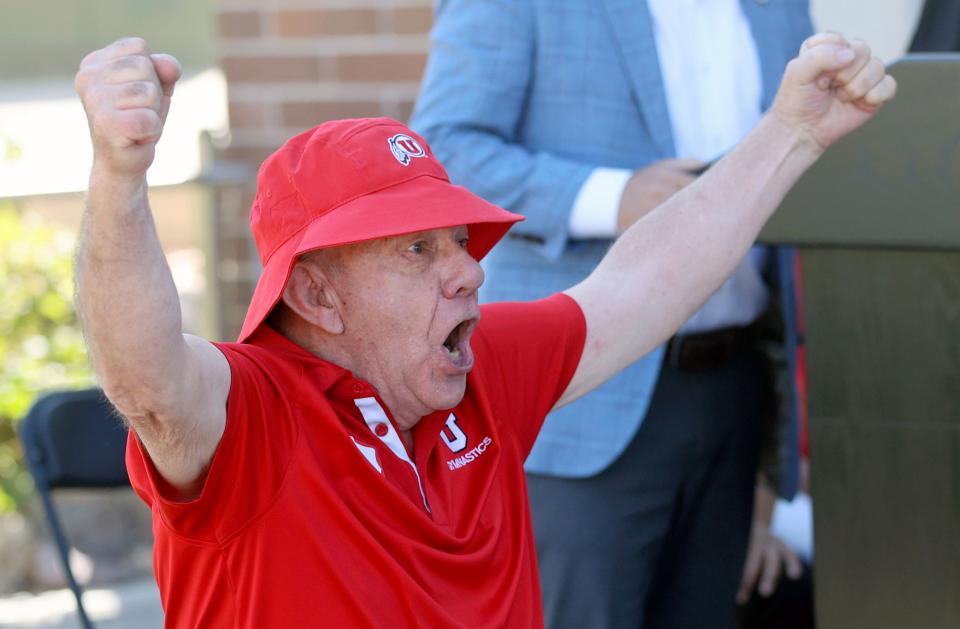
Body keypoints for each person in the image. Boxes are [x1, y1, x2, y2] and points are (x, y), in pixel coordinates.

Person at [73, 34, 894, 628]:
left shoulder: (481, 368)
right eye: (417, 249)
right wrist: (119, 177)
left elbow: (643, 280)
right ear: (317, 295)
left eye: (461, 240)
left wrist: (793, 134)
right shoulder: (253, 410)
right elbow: (145, 379)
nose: (465, 270)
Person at [410, 2, 813, 625]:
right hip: (582, 399)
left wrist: (775, 456)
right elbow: (442, 154)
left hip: (735, 392)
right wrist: (612, 196)